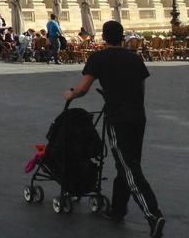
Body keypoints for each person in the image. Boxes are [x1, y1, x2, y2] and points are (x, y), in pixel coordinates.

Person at [64, 21, 165, 237]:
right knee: (127, 163)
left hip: (118, 118)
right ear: (122, 37)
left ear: (103, 37)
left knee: (129, 168)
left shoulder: (98, 58)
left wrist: (70, 95)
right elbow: (141, 88)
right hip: (138, 116)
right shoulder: (135, 58)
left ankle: (153, 215)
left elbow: (83, 88)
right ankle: (118, 210)